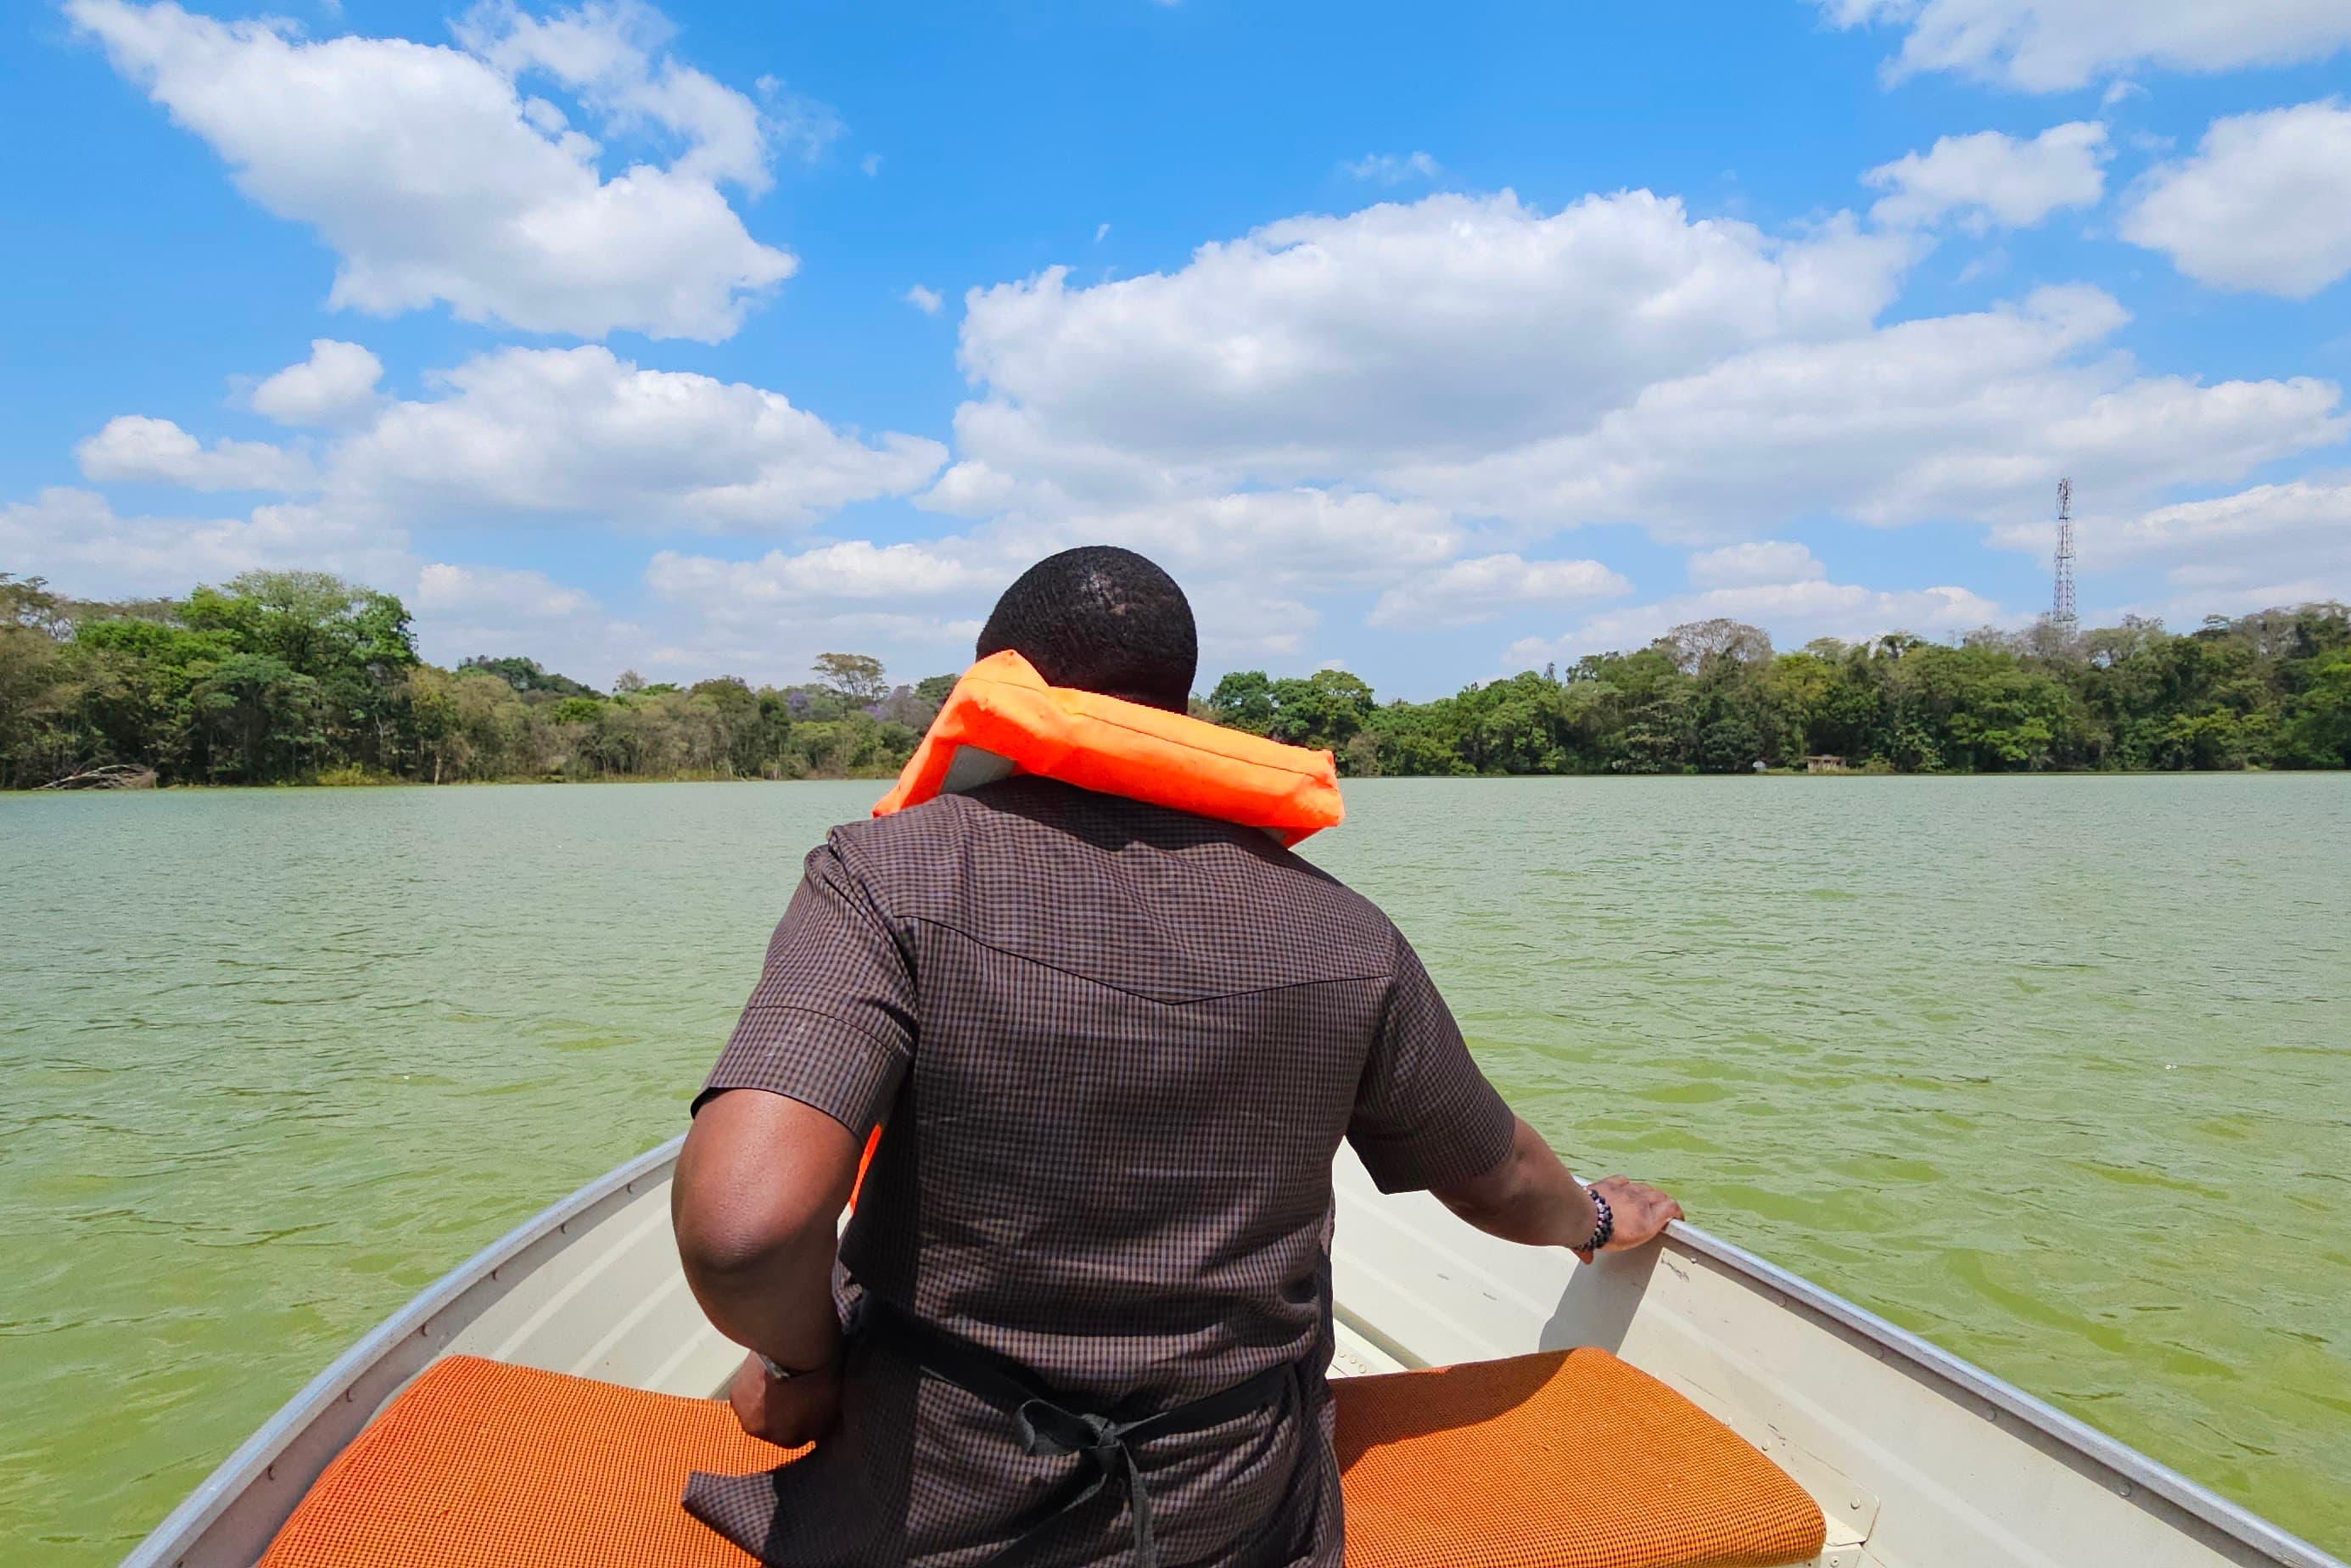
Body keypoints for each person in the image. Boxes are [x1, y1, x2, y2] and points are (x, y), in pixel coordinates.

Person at [672, 545, 1684, 1568]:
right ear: (1177, 706)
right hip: (1231, 1510)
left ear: (996, 691)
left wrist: (805, 1368)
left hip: (927, 1500)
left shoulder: (882, 877)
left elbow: (744, 1232)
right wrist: (1596, 1220)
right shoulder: (1349, 933)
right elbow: (1498, 1177)